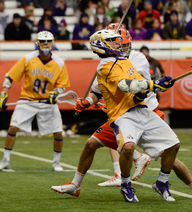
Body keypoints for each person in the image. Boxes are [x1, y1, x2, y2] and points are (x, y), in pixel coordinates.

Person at [53, 28, 180, 203]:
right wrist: (153, 84)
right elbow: (125, 85)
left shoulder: (124, 60)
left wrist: (155, 86)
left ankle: (162, 183)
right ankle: (126, 185)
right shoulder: (105, 67)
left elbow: (137, 87)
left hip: (142, 109)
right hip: (122, 115)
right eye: (112, 40)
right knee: (125, 148)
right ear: (101, 45)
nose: (117, 43)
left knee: (174, 145)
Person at [0, 31, 70, 172]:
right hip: (27, 99)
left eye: (48, 42)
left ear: (52, 43)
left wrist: (55, 93)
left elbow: (62, 85)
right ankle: (5, 160)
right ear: (37, 43)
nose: (45, 44)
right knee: (13, 127)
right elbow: (9, 76)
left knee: (58, 132)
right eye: (42, 41)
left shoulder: (59, 63)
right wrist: (4, 93)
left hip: (47, 102)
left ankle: (56, 163)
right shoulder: (28, 58)